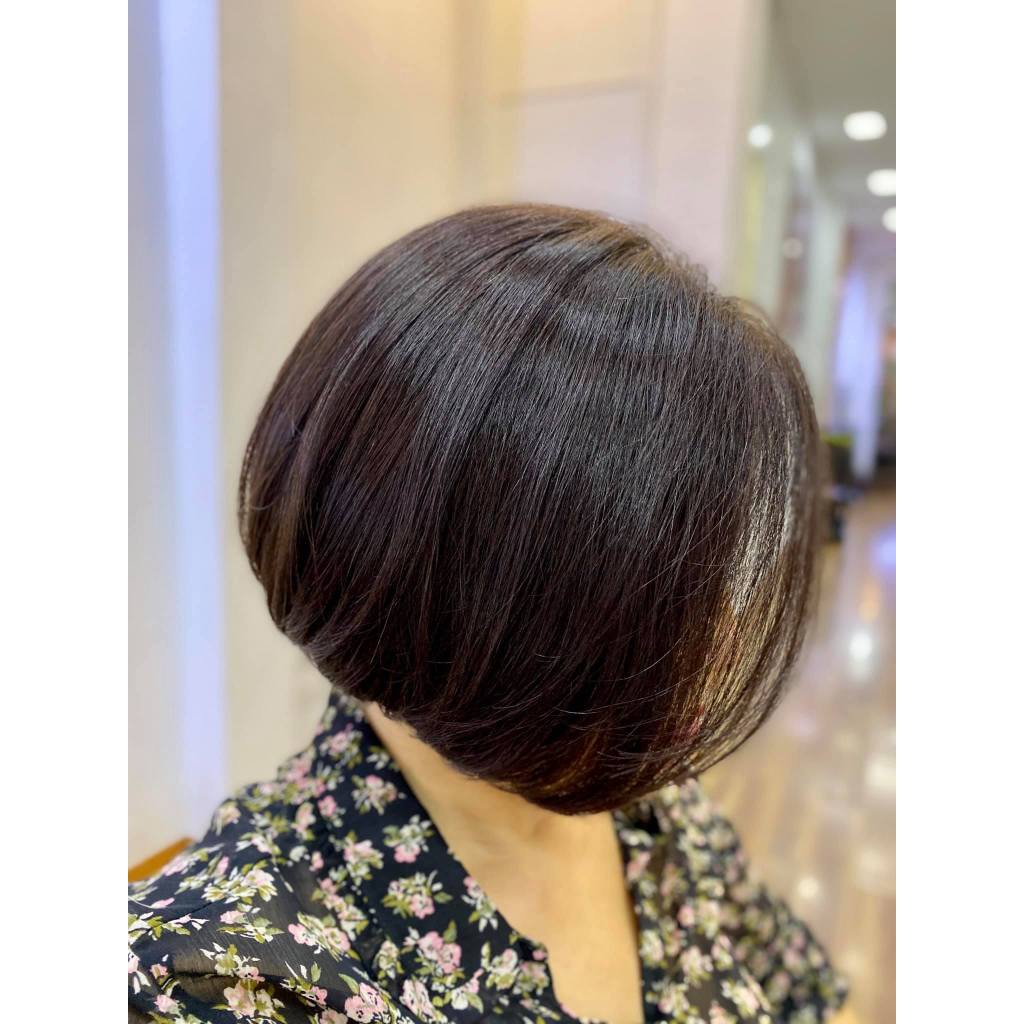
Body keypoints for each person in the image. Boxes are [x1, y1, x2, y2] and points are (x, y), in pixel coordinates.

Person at [129, 204, 851, 1024]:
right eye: (668, 593)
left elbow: (810, 998)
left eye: (720, 580)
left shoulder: (657, 815)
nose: (720, 635)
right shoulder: (217, 978)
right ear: (490, 596)